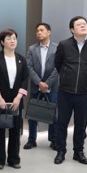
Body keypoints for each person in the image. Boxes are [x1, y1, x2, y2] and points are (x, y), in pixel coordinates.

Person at [53, 16, 87, 165]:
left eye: (84, 24)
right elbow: (58, 64)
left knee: (81, 124)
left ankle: (78, 151)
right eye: (79, 24)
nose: (83, 26)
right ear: (72, 29)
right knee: (62, 122)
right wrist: (66, 77)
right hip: (65, 92)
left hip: (84, 92)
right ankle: (61, 151)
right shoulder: (64, 45)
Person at [0, 29, 29, 169]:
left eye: (14, 38)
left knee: (15, 130)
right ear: (2, 42)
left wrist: (19, 97)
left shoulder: (21, 59)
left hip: (16, 99)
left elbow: (25, 79)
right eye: (9, 38)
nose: (12, 41)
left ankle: (14, 159)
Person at [24, 22, 58, 150]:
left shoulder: (57, 48)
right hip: (36, 86)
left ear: (49, 32)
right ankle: (31, 139)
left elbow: (58, 68)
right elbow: (29, 67)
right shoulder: (32, 49)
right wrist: (39, 83)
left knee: (53, 114)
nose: (39, 32)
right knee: (33, 114)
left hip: (52, 86)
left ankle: (53, 140)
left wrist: (47, 83)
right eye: (37, 30)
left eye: (42, 30)